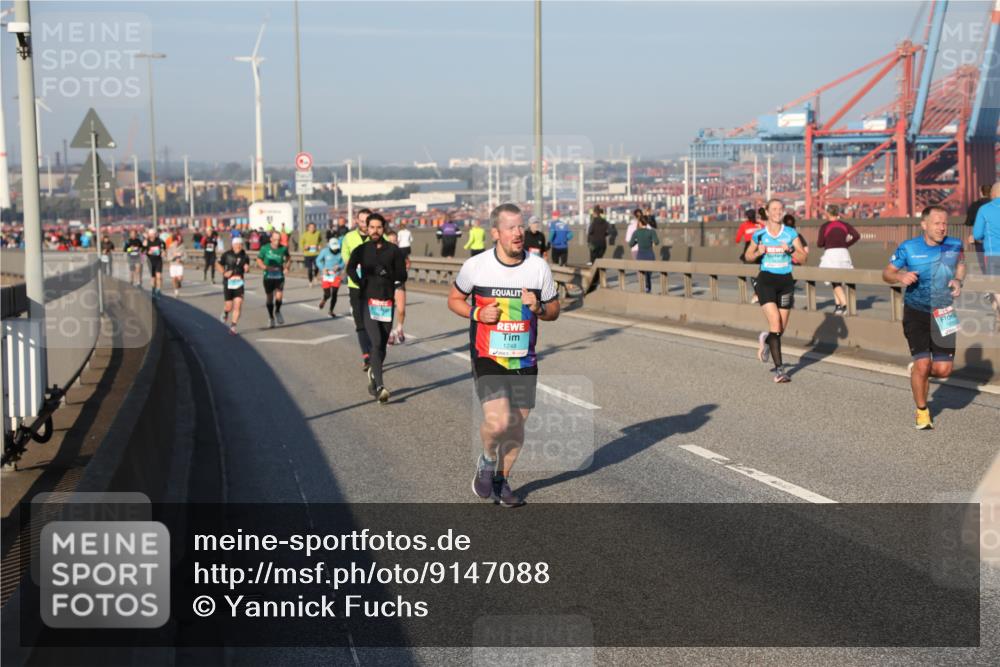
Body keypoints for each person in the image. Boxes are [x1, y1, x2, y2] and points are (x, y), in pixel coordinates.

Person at [448, 203, 559, 508]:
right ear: (495, 233)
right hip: (488, 355)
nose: (518, 233)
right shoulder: (477, 266)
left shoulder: (538, 268)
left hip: (524, 358)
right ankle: (486, 461)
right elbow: (454, 299)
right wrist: (477, 313)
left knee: (516, 425)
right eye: (511, 227)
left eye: (521, 226)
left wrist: (538, 307)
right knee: (498, 423)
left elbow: (554, 310)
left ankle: (501, 479)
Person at [883, 205, 965, 429]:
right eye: (937, 223)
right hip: (916, 312)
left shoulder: (955, 245)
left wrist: (958, 280)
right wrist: (900, 275)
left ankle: (919, 372)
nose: (942, 228)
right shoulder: (908, 248)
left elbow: (961, 266)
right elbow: (886, 273)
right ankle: (922, 411)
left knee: (943, 370)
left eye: (944, 223)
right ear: (924, 225)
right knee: (923, 364)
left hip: (944, 312)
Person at [743, 198, 807, 383]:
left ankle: (765, 338)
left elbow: (803, 258)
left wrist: (791, 252)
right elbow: (748, 256)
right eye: (775, 209)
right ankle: (780, 371)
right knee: (776, 325)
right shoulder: (760, 235)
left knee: (779, 330)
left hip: (786, 282)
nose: (778, 212)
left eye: (781, 209)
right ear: (768, 212)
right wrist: (758, 252)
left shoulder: (790, 233)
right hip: (766, 281)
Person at [346, 213, 407, 404]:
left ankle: (374, 374)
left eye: (378, 227)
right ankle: (380, 386)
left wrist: (388, 274)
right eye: (371, 227)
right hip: (368, 300)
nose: (374, 231)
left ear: (383, 228)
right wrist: (360, 281)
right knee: (376, 341)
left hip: (386, 302)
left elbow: (402, 275)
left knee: (382, 346)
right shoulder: (361, 250)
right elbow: (350, 268)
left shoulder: (393, 250)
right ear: (366, 228)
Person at [341, 208, 374, 369]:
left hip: (375, 286)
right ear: (357, 221)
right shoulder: (349, 238)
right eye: (362, 221)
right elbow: (347, 262)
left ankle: (375, 350)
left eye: (368, 221)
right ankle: (366, 355)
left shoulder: (378, 236)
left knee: (375, 321)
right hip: (355, 285)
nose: (365, 224)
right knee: (360, 320)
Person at [817, 205, 860, 315]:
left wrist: (827, 242)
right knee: (837, 281)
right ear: (838, 213)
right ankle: (838, 306)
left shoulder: (825, 226)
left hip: (831, 254)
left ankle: (845, 305)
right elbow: (856, 235)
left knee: (834, 280)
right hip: (844, 253)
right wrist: (846, 244)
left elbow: (820, 243)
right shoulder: (845, 225)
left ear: (827, 213)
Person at [973, 182, 1000, 331]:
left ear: (992, 194)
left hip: (993, 255)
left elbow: (977, 234)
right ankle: (998, 316)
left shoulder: (984, 209)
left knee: (995, 287)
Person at [256, 231, 291, 328]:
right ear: (271, 239)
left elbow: (288, 258)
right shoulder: (265, 248)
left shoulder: (283, 248)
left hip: (279, 276)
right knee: (270, 297)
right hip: (268, 276)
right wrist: (264, 267)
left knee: (279, 296)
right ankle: (271, 317)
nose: (277, 241)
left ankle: (278, 311)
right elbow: (259, 259)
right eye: (275, 239)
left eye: (279, 239)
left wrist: (287, 267)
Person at [218, 236, 251, 335]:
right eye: (237, 244)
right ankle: (226, 312)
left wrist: (247, 268)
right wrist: (224, 273)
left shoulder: (245, 256)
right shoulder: (226, 255)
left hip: (239, 283)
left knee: (238, 304)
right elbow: (218, 264)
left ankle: (233, 326)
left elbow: (247, 267)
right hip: (228, 283)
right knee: (229, 306)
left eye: (240, 244)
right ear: (232, 245)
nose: (239, 246)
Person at [628, 214, 660, 293]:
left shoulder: (636, 232)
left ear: (640, 223)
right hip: (650, 254)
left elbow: (630, 244)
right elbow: (656, 242)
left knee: (641, 273)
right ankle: (648, 288)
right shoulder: (651, 232)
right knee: (648, 274)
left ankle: (642, 289)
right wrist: (651, 243)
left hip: (641, 255)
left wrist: (637, 241)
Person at [316, 237, 344, 317]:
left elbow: (344, 262)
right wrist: (322, 269)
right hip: (326, 275)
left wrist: (339, 266)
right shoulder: (325, 251)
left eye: (336, 248)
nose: (335, 250)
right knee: (328, 294)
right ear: (329, 246)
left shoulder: (341, 252)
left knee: (334, 293)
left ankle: (331, 311)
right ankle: (324, 299)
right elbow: (318, 260)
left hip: (336, 275)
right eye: (333, 248)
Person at [143, 228, 166, 298]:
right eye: (151, 234)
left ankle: (158, 291)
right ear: (149, 235)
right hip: (150, 261)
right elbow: (142, 252)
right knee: (153, 277)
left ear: (155, 234)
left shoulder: (160, 241)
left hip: (158, 260)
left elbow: (164, 249)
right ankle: (153, 290)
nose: (152, 236)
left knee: (159, 276)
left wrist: (163, 253)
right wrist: (147, 252)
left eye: (154, 234)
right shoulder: (146, 242)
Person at [301, 222, 323, 287]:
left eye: (313, 227)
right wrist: (304, 247)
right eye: (310, 227)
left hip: (316, 253)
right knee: (310, 269)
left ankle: (315, 276)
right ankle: (310, 281)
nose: (312, 229)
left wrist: (320, 246)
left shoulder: (318, 233)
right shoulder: (305, 234)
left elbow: (320, 241)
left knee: (317, 266)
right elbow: (301, 243)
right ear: (308, 228)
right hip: (307, 254)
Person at [168, 232, 185, 297]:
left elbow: (186, 256)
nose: (179, 241)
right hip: (172, 264)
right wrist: (174, 256)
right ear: (175, 239)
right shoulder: (171, 246)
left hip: (179, 265)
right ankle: (176, 291)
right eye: (178, 239)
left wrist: (181, 259)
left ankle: (179, 283)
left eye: (180, 239)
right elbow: (168, 257)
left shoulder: (182, 247)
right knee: (174, 279)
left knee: (179, 278)